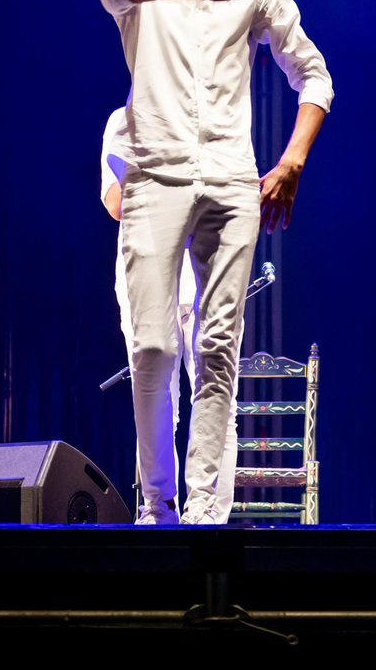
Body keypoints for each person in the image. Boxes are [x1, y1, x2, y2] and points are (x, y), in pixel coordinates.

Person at [97, 0, 333, 525]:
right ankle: (158, 503)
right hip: (155, 177)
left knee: (218, 348)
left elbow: (314, 74)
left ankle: (205, 512)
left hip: (230, 181)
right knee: (151, 346)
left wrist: (291, 161)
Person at [101, 106, 238, 523]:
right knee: (155, 402)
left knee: (216, 397)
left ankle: (209, 514)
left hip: (206, 278)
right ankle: (159, 511)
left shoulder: (208, 113)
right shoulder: (122, 121)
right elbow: (115, 203)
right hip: (144, 280)